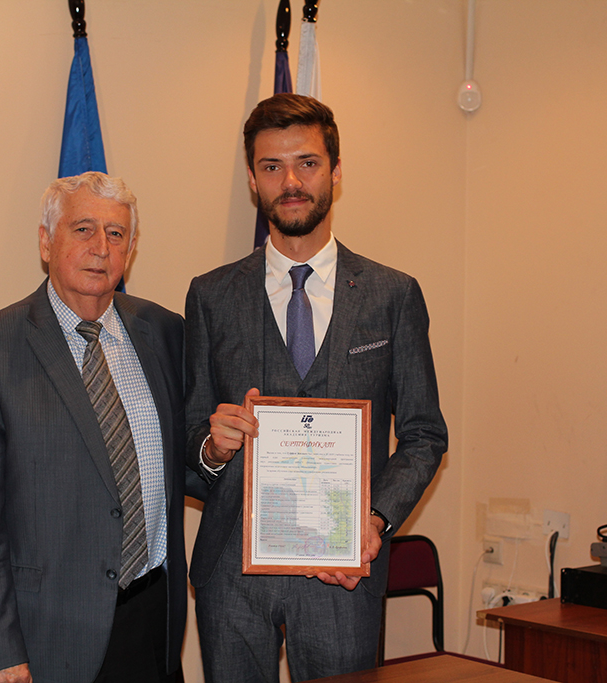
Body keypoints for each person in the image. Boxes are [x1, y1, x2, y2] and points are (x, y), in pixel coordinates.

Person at [185, 93, 448, 682]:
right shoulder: (211, 296)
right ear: (252, 179)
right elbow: (189, 433)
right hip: (232, 569)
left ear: (335, 171)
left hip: (343, 571)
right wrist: (213, 447)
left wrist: (374, 521)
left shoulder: (392, 295)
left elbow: (425, 434)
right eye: (271, 167)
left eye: (307, 163)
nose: (290, 182)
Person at [0, 172, 186, 683]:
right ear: (46, 242)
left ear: (131, 249)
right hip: (39, 635)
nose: (101, 248)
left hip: (148, 620)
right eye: (83, 229)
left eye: (116, 234)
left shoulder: (163, 332)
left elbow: (178, 467)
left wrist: (215, 451)